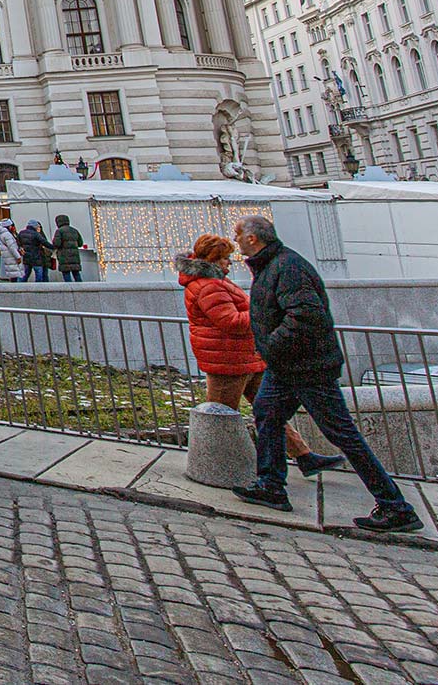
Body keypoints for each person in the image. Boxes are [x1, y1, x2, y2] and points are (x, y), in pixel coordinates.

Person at [229, 215, 422, 533]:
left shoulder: (287, 267)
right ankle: (270, 485)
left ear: (253, 238)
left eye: (238, 235)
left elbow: (305, 315)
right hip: (287, 368)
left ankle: (395, 506)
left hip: (306, 367)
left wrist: (271, 346)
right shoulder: (272, 264)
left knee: (342, 433)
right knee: (266, 414)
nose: (235, 240)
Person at [177, 235, 343, 478]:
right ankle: (211, 467)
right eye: (224, 258)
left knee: (269, 411)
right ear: (212, 260)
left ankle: (303, 456)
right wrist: (263, 314)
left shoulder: (215, 282)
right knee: (219, 418)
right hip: (228, 360)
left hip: (243, 357)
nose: (229, 263)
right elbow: (230, 321)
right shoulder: (209, 286)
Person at [52, 215, 84, 281]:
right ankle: (81, 289)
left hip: (64, 257)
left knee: (66, 275)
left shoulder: (59, 231)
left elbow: (57, 244)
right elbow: (80, 243)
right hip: (75, 257)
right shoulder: (74, 230)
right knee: (76, 274)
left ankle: (70, 290)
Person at [0, 218, 21, 283]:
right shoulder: (7, 234)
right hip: (11, 255)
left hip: (7, 255)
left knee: (12, 274)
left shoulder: (0, 234)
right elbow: (12, 247)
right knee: (15, 274)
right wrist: (18, 256)